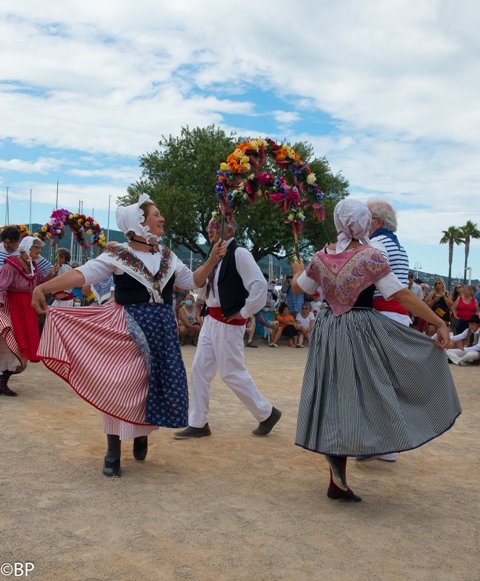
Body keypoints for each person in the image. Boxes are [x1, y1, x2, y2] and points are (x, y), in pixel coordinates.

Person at [32, 194, 226, 477]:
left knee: (149, 384)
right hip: (127, 326)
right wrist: (44, 288)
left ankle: (140, 434)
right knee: (119, 382)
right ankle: (112, 450)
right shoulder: (118, 255)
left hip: (160, 328)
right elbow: (83, 275)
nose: (161, 218)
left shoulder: (168, 257)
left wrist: (211, 260)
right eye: (156, 214)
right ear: (140, 222)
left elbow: (193, 281)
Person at [291, 199, 461, 503]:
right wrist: (439, 322)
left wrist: (296, 271)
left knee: (333, 394)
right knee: (367, 391)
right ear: (363, 223)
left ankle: (337, 475)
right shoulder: (370, 256)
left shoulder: (320, 257)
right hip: (359, 330)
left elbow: (297, 288)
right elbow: (401, 294)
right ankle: (361, 455)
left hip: (328, 329)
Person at [174, 218, 281, 440]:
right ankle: (198, 422)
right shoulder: (215, 254)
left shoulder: (239, 253)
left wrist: (244, 312)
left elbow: (259, 285)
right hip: (212, 320)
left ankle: (266, 413)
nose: (208, 233)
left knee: (231, 372)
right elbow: (205, 290)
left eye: (212, 229)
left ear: (228, 229)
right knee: (200, 370)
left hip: (228, 321)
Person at [0, 237, 56, 396]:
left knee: (24, 343)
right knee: (11, 341)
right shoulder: (11, 266)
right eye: (36, 247)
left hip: (27, 308)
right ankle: (2, 383)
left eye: (39, 247)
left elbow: (39, 284)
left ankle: (3, 383)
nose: (39, 250)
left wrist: (51, 276)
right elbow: (1, 286)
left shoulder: (33, 267)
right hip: (13, 306)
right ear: (25, 249)